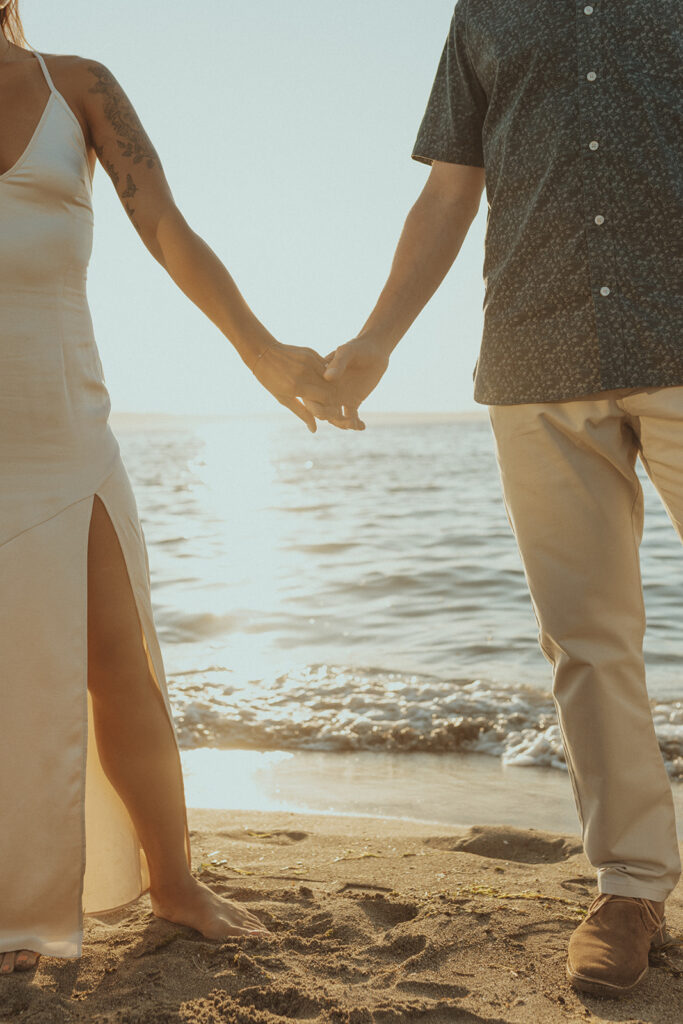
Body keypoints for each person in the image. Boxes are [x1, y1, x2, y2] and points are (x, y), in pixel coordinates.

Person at [316, 0, 683, 1000]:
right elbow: (449, 191)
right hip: (534, 356)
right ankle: (629, 886)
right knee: (585, 637)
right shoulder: (483, 11)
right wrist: (375, 343)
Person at [0, 0, 356, 975]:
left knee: (119, 666)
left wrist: (259, 350)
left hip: (69, 437)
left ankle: (174, 884)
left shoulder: (79, 89)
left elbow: (166, 228)